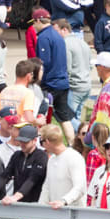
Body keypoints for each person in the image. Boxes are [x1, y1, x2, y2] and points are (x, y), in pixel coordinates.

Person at [0, 124, 47, 204]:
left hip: (35, 204)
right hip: (17, 203)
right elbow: (4, 176)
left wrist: (15, 197)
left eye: (25, 142)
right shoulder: (17, 155)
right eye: (21, 141)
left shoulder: (41, 156)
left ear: (34, 140)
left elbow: (32, 180)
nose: (22, 144)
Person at [33, 8, 76, 143]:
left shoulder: (44, 37)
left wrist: (37, 82)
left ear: (38, 20)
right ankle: (73, 146)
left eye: (33, 23)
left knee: (41, 117)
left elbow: (44, 62)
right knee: (65, 119)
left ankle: (42, 146)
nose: (33, 27)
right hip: (62, 83)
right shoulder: (57, 35)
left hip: (50, 84)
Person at [37, 124, 86, 208]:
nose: (41, 146)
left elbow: (80, 187)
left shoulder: (74, 157)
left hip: (74, 214)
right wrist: (41, 207)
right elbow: (47, 186)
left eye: (41, 142)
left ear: (47, 141)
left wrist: (64, 201)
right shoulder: (52, 159)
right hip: (55, 214)